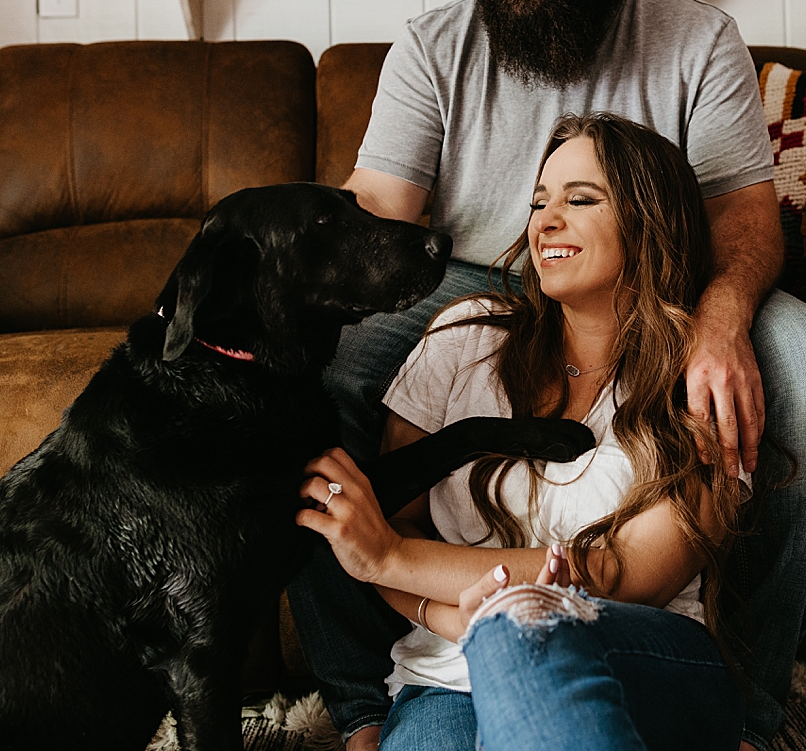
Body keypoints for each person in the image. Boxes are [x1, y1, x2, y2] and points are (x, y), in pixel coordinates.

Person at [285, 0, 806, 751]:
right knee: (305, 374)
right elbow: (376, 210)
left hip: (651, 283)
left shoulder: (698, 39)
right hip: (465, 279)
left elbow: (747, 223)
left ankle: (748, 710)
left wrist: (721, 323)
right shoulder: (431, 47)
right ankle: (364, 705)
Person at [298, 114, 750, 751]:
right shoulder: (463, 340)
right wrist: (449, 617)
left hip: (642, 663)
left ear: (650, 222)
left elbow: (620, 574)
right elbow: (390, 524)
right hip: (446, 675)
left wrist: (396, 561)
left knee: (524, 622)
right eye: (539, 203)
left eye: (580, 200)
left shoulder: (700, 379)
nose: (545, 222)